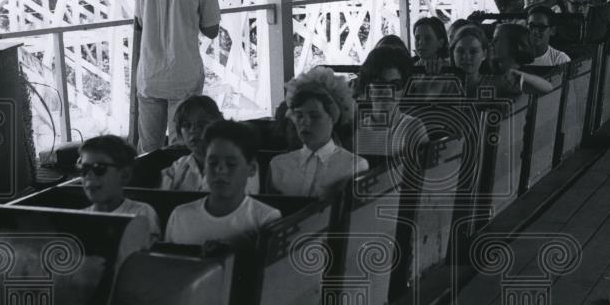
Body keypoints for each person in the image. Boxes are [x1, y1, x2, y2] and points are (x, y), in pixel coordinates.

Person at [134, 0, 221, 153]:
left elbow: (140, 20)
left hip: (149, 73)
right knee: (181, 147)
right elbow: (211, 29)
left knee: (148, 149)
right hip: (183, 74)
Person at [165, 120, 281, 252]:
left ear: (252, 169)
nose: (220, 170)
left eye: (231, 164)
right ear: (204, 167)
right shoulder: (180, 216)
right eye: (213, 163)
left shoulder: (265, 218)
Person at [268, 67, 369, 198]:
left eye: (314, 116)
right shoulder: (279, 165)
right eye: (299, 116)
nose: (305, 122)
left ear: (333, 118)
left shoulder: (353, 166)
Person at [160, 94, 260, 193]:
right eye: (186, 125)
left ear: (218, 124)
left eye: (202, 124)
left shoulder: (241, 163)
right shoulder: (179, 167)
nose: (193, 130)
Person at [80, 135, 161, 244]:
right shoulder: (79, 218)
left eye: (99, 168)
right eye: (84, 169)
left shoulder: (141, 213)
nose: (89, 175)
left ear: (124, 175)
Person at [356, 46, 428, 157]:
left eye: (396, 85)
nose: (387, 92)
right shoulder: (357, 129)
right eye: (380, 83)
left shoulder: (413, 128)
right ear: (368, 86)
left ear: (404, 88)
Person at [489, 23, 554, 97]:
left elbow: (548, 88)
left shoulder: (526, 76)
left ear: (515, 45)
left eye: (497, 40)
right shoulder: (490, 73)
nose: (491, 44)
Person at [449, 24, 490, 97]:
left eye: (473, 51)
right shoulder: (444, 83)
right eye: (460, 51)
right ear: (453, 53)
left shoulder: (495, 85)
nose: (466, 57)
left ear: (484, 54)